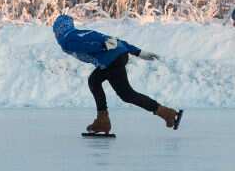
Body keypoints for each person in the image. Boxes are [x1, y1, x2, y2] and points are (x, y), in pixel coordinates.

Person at [52, 14, 183, 134]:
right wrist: (137, 52)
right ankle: (102, 121)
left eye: (55, 31)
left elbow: (89, 45)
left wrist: (103, 46)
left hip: (111, 59)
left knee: (127, 94)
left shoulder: (68, 39)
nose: (56, 35)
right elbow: (112, 40)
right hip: (116, 55)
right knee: (94, 80)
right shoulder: (80, 33)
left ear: (59, 30)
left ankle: (167, 113)